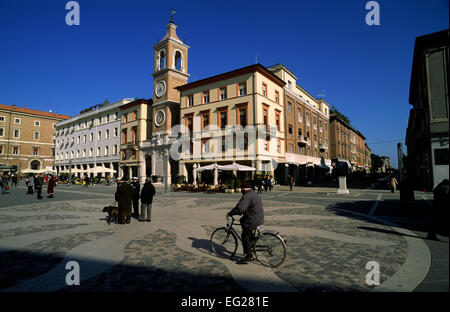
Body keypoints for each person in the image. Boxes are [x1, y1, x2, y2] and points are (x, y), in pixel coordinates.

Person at [226, 183, 264, 263]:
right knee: (242, 220)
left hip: (252, 219)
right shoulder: (254, 193)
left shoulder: (247, 196)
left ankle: (249, 255)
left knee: (244, 236)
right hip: (259, 217)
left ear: (243, 189)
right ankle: (252, 240)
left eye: (241, 189)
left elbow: (240, 209)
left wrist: (230, 213)